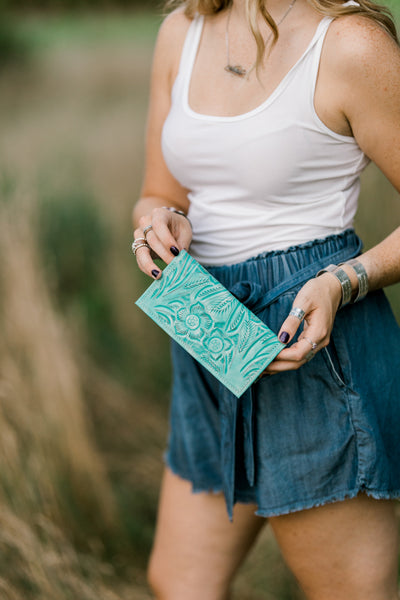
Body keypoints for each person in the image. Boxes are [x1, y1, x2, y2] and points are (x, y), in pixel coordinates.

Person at [132, 0, 400, 597]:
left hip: (311, 342)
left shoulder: (351, 44)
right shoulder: (183, 30)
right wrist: (158, 223)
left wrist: (344, 281)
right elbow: (157, 190)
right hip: (206, 328)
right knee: (180, 583)